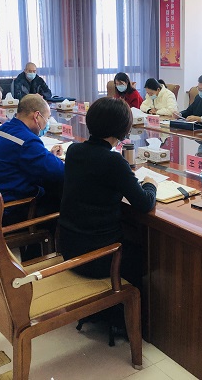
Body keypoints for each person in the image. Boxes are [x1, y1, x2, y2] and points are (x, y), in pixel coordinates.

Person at [57, 97, 157, 286]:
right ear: (124, 129)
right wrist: (150, 185)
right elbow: (144, 203)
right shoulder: (113, 162)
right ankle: (127, 302)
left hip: (70, 249)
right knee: (149, 256)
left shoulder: (74, 150)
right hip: (99, 258)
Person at [0, 94, 64, 258]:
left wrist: (47, 156)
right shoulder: (26, 141)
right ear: (37, 116)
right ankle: (40, 258)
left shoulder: (4, 129)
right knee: (60, 200)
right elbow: (59, 172)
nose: (46, 123)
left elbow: (26, 160)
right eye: (47, 118)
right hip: (8, 210)